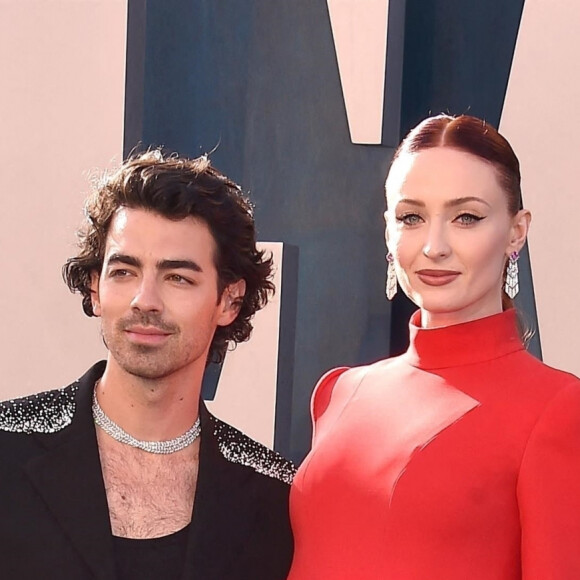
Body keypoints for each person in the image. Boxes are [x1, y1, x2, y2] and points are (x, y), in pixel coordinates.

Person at [288, 114, 580, 579]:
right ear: (389, 231)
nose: (434, 246)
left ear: (516, 231)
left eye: (466, 217)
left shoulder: (559, 410)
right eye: (412, 217)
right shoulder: (337, 392)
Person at [0, 150, 295, 580]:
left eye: (178, 277)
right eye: (123, 272)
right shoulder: (8, 445)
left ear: (229, 299)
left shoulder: (275, 496)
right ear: (95, 289)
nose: (145, 300)